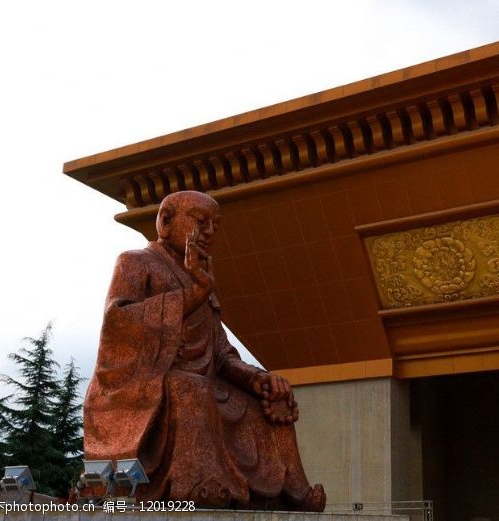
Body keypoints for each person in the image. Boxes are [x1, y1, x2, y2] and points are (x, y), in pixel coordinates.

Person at [83, 190, 325, 511]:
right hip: (149, 385)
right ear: (166, 221)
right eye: (201, 221)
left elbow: (222, 354)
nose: (210, 231)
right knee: (191, 389)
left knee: (264, 401)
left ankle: (288, 492)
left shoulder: (201, 276)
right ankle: (198, 483)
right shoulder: (136, 263)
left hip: (202, 384)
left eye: (215, 225)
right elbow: (119, 320)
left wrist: (258, 379)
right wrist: (193, 294)